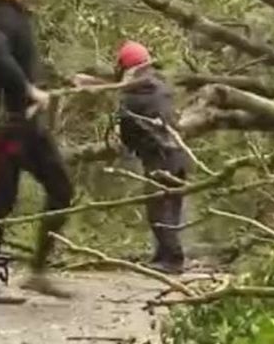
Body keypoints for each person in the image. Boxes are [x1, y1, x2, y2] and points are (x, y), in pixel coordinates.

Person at [0, 0, 76, 304]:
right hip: (7, 128)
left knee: (61, 187)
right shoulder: (2, 17)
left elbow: (21, 61)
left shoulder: (16, 17)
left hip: (26, 127)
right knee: (1, 200)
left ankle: (38, 271)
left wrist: (59, 81)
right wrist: (28, 90)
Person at [77, 41, 192, 274]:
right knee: (172, 209)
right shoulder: (158, 85)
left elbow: (127, 132)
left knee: (158, 210)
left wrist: (123, 139)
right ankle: (163, 255)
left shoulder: (133, 99)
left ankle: (173, 260)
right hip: (179, 155)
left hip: (160, 159)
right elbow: (125, 88)